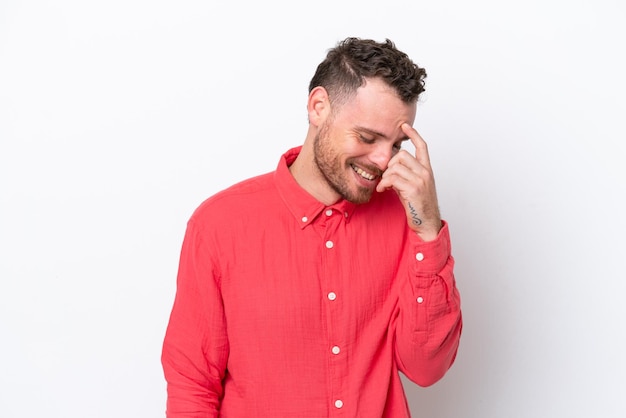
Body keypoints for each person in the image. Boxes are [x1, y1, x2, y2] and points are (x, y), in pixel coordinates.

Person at [161, 37, 462, 417]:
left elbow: (426, 368)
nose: (384, 160)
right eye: (367, 137)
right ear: (319, 106)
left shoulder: (408, 220)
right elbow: (192, 383)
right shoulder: (219, 225)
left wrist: (428, 229)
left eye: (396, 144)